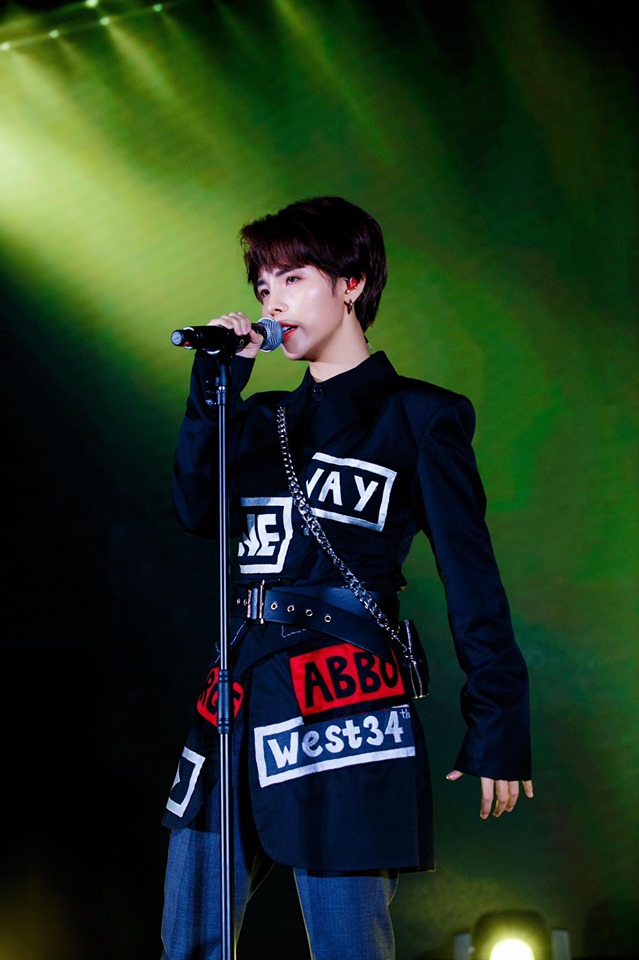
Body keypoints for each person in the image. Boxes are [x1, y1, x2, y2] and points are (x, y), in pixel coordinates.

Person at [160, 195, 534, 960]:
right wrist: (215, 387)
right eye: (262, 287)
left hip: (342, 696)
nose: (272, 302)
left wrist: (497, 722)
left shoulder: (419, 418)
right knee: (188, 940)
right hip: (237, 691)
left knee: (346, 943)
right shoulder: (256, 419)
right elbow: (196, 509)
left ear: (351, 283)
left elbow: (471, 577)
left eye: (292, 279)